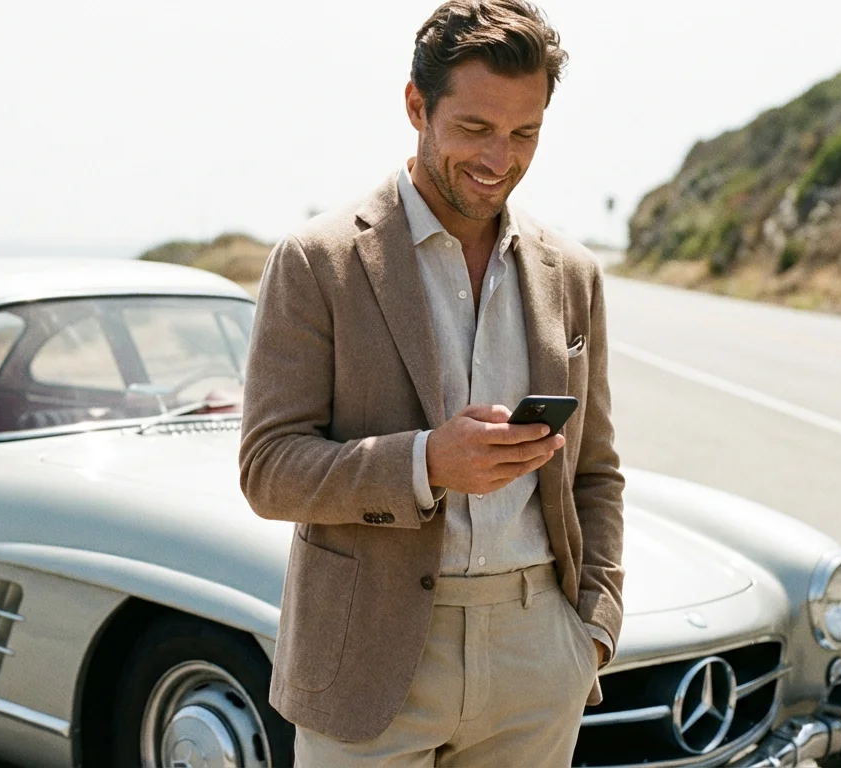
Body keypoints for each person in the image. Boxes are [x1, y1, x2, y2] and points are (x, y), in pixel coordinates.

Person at [237, 1, 625, 765]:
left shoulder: (572, 273)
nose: (500, 159)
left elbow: (596, 469)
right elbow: (267, 471)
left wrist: (592, 631)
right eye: (476, 129)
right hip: (367, 657)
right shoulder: (318, 261)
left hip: (537, 654)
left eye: (525, 134)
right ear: (416, 105)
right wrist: (425, 464)